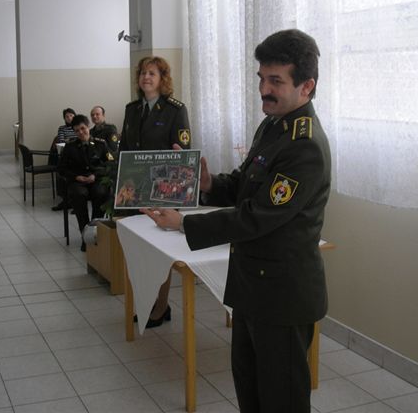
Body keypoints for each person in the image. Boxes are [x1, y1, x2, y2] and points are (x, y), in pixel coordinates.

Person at [141, 29, 331, 412]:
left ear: (307, 86)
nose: (264, 89)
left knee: (281, 400)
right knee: (250, 389)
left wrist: (184, 223)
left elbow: (258, 216)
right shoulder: (273, 125)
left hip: (282, 296)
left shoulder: (304, 145)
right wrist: (209, 184)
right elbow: (247, 184)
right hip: (251, 287)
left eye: (275, 81)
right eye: (261, 78)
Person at [119, 56, 191, 328]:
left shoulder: (174, 110)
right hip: (135, 192)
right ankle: (147, 302)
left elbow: (183, 153)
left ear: (162, 79)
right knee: (139, 251)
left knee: (159, 253)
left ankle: (160, 307)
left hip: (163, 192)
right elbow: (124, 151)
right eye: (142, 73)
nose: (146, 77)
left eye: (152, 73)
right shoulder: (132, 110)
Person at [57, 115, 114, 251]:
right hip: (78, 181)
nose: (81, 132)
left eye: (83, 128)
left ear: (88, 127)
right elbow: (61, 168)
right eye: (77, 130)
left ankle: (95, 231)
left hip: (97, 179)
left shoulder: (101, 144)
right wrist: (76, 177)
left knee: (101, 193)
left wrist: (96, 175)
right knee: (78, 195)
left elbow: (111, 163)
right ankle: (85, 236)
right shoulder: (70, 147)